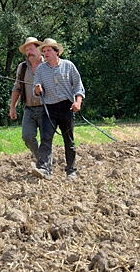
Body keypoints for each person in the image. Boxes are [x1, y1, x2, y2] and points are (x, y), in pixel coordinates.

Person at [31, 38, 85, 180]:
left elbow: (78, 86)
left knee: (69, 140)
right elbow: (35, 89)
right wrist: (37, 89)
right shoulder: (41, 69)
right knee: (46, 138)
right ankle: (43, 169)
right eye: (44, 51)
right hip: (49, 108)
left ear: (56, 52)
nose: (45, 53)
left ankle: (71, 170)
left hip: (67, 107)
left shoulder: (69, 66)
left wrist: (78, 102)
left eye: (48, 50)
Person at [9, 37, 46, 171]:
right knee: (27, 136)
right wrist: (12, 107)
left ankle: (45, 166)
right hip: (29, 108)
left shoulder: (47, 64)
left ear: (38, 49)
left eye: (31, 49)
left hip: (45, 108)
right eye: (27, 50)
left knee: (46, 139)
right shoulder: (22, 67)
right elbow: (17, 88)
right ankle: (41, 159)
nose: (28, 52)